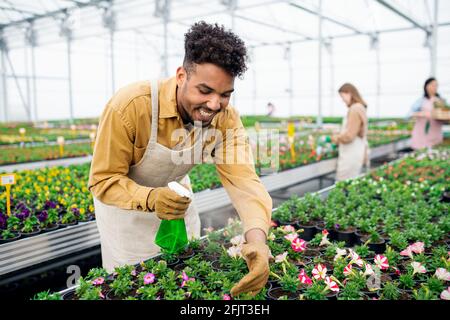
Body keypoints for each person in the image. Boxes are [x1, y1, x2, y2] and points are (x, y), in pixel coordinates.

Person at [88, 21, 272, 298]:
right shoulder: (131, 106)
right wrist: (152, 199)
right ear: (181, 76)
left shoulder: (226, 118)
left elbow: (244, 180)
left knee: (183, 283)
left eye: (225, 94)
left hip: (179, 206)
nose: (214, 105)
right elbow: (103, 180)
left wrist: (257, 239)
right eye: (205, 90)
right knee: (137, 288)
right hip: (127, 217)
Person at [331, 83, 369, 181]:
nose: (342, 100)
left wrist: (336, 138)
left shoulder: (355, 109)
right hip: (356, 150)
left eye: (342, 96)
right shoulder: (360, 107)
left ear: (349, 93)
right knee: (351, 183)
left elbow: (349, 136)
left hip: (350, 154)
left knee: (343, 184)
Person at [408, 77, 444, 150]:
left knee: (434, 153)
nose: (434, 87)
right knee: (421, 153)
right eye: (432, 85)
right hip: (421, 134)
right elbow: (408, 115)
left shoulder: (441, 101)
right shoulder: (420, 101)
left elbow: (446, 115)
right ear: (426, 86)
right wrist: (421, 114)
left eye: (436, 85)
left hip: (435, 133)